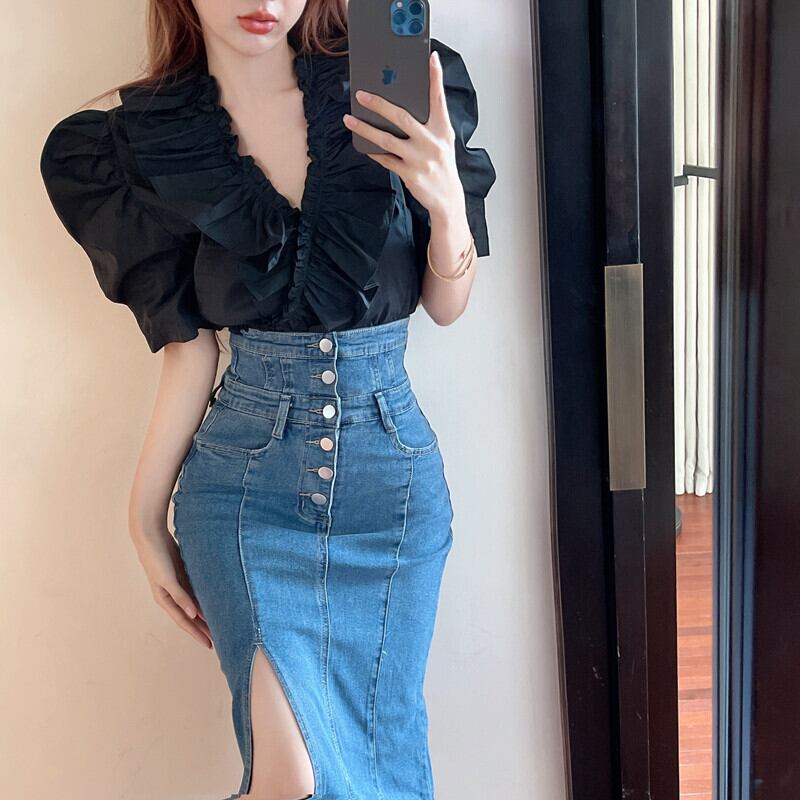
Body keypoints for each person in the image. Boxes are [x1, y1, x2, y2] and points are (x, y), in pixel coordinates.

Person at [39, 1, 496, 798]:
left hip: (389, 489)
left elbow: (446, 306)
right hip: (245, 493)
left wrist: (447, 203)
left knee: (379, 771)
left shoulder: (396, 82)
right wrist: (143, 517)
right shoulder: (143, 138)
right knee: (291, 779)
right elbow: (190, 350)